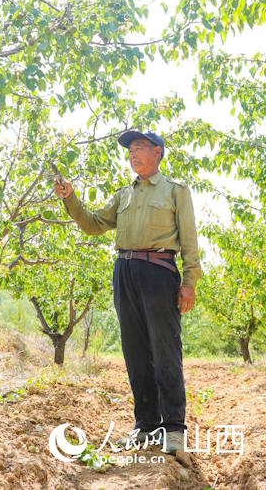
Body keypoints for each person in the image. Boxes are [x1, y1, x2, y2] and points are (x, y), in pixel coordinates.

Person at [53, 130, 201, 454]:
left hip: (159, 271)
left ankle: (173, 429)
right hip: (124, 272)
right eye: (130, 150)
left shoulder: (176, 192)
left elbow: (189, 241)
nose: (132, 154)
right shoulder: (123, 195)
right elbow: (93, 224)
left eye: (139, 148)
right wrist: (70, 198)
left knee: (165, 351)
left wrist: (189, 282)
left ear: (158, 152)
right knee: (135, 352)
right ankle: (145, 425)